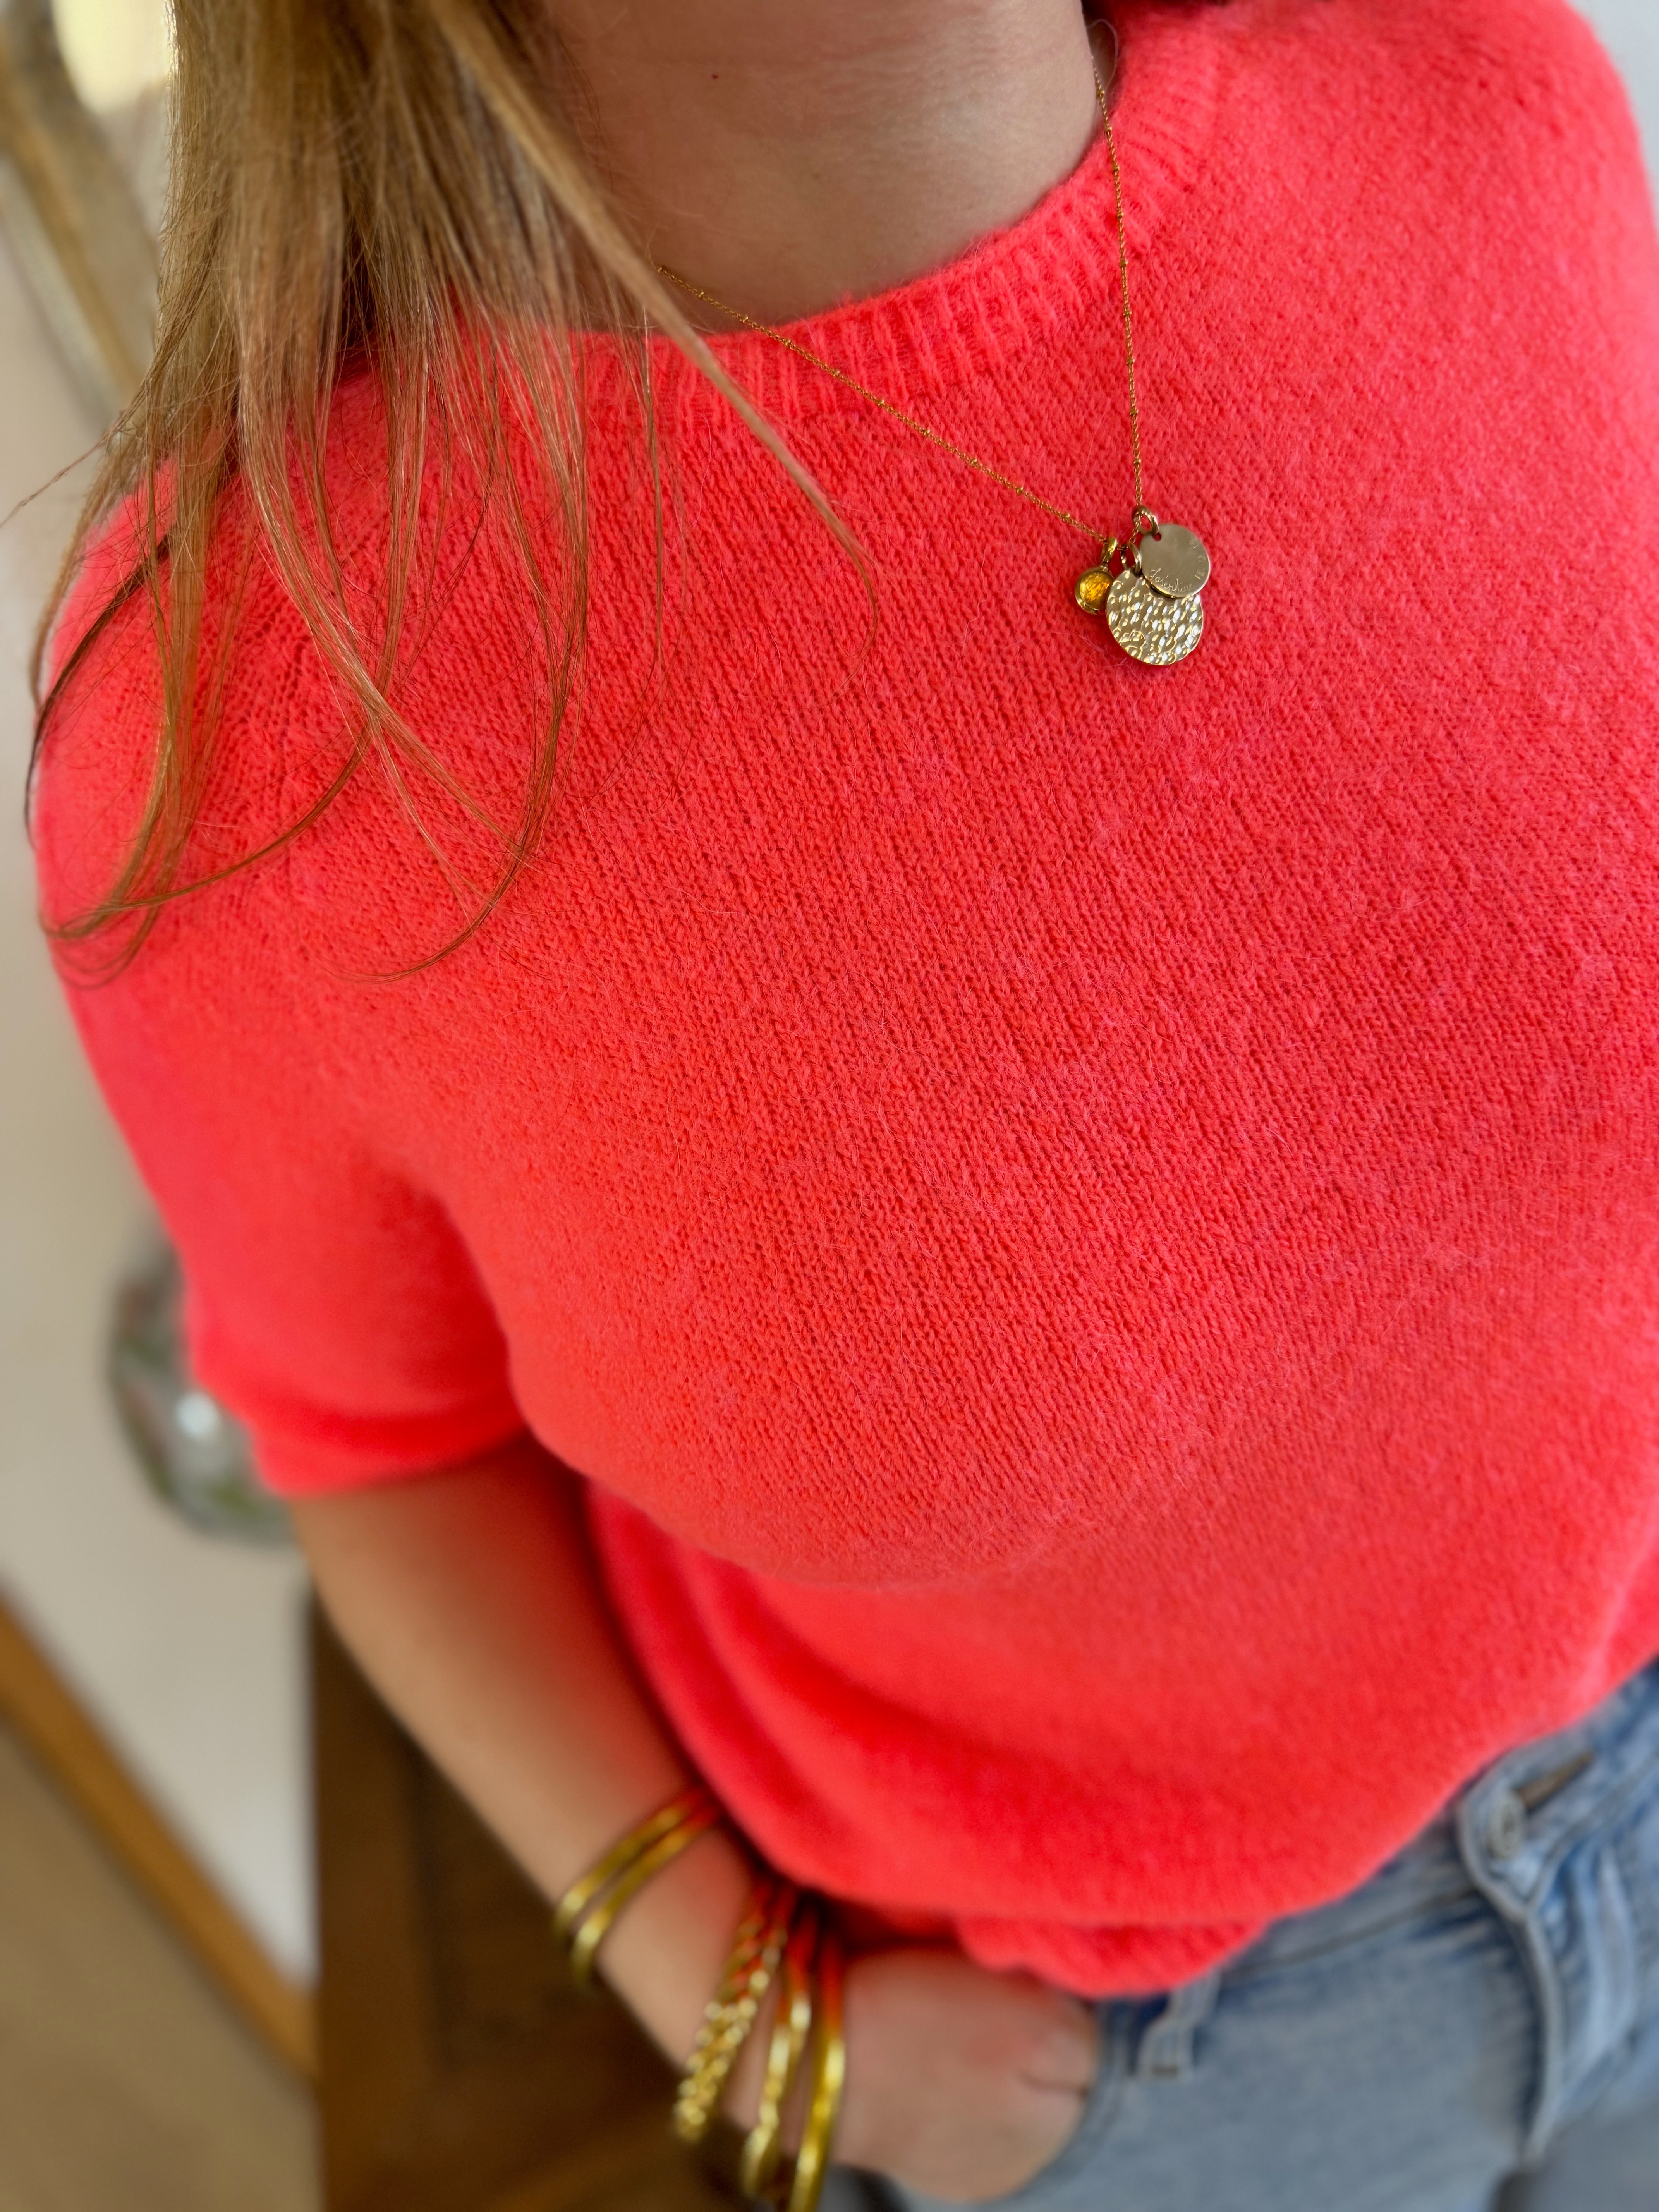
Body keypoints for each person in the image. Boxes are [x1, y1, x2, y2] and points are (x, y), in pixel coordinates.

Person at [28, 0, 1659, 2204]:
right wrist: (730, 2001)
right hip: (1163, 2076)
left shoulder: (1477, 85)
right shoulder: (257, 708)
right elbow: (372, 1443)